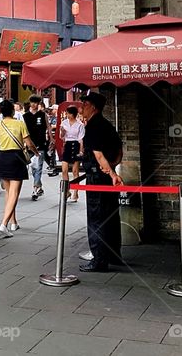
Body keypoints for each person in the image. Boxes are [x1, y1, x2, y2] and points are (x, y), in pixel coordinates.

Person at [78, 91, 124, 272]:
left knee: (97, 218)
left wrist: (110, 172)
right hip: (107, 177)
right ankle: (114, 255)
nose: (82, 108)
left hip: (97, 178)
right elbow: (119, 150)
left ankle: (99, 260)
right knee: (111, 216)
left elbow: (98, 154)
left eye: (85, 104)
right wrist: (113, 168)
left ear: (93, 107)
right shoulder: (107, 125)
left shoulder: (93, 126)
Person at [0, 99, 39, 237]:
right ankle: (4, 224)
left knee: (9, 193)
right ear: (13, 111)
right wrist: (36, 152)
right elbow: (28, 142)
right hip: (16, 158)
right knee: (14, 193)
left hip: (2, 158)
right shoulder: (19, 124)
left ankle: (13, 222)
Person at [24, 95, 49, 201]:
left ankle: (35, 189)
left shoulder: (43, 115)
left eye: (36, 102)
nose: (34, 104)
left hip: (41, 144)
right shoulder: (25, 116)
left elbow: (48, 127)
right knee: (33, 167)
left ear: (39, 104)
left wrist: (51, 140)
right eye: (32, 102)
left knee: (38, 167)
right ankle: (39, 187)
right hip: (29, 144)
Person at [60, 106, 85, 202]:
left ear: (73, 114)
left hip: (76, 145)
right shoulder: (64, 122)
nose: (67, 115)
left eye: (68, 113)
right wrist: (62, 131)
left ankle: (76, 192)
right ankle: (67, 190)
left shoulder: (80, 124)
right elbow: (62, 137)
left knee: (75, 171)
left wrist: (81, 151)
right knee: (64, 170)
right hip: (67, 144)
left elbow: (81, 139)